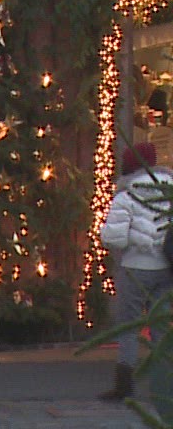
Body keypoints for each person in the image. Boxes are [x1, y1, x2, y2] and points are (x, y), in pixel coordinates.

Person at [101, 142, 172, 403]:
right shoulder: (169, 191)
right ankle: (163, 384)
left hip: (134, 268)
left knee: (128, 327)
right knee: (161, 328)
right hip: (166, 269)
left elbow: (114, 238)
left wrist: (135, 239)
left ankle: (124, 385)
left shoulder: (126, 195)